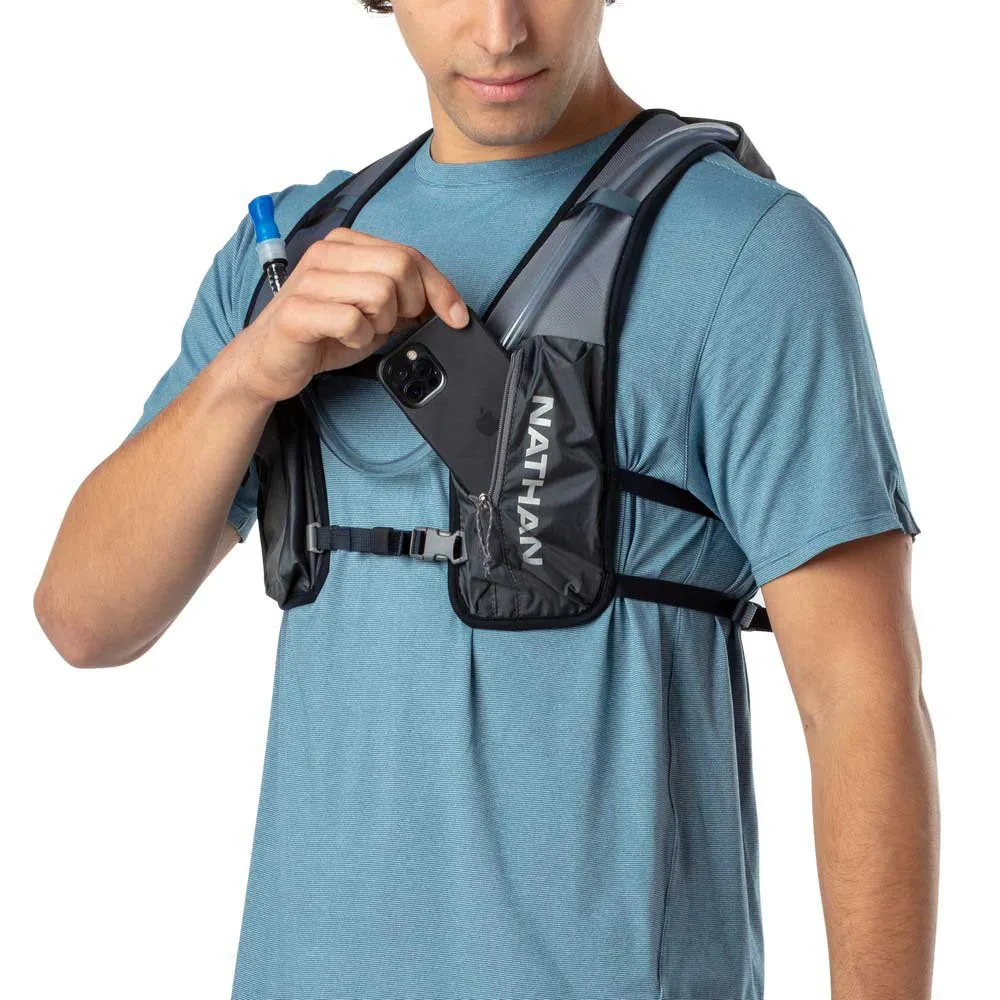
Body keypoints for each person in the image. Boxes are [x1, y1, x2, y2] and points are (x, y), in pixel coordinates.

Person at [33, 2, 939, 998]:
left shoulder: (751, 252)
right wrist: (251, 372)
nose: (501, 30)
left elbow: (860, 702)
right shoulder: (288, 257)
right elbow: (86, 620)